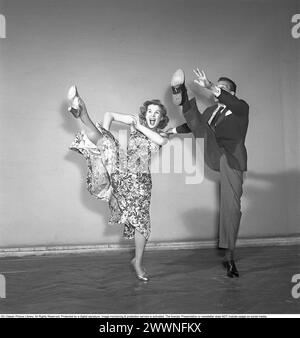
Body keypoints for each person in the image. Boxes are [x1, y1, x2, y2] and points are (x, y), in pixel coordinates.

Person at [67, 86, 169, 282]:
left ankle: (137, 262)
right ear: (145, 113)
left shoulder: (161, 134)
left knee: (142, 226)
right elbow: (109, 114)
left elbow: (159, 141)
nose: (152, 115)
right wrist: (105, 131)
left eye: (157, 112)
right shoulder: (135, 123)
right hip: (122, 169)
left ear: (161, 117)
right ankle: (80, 110)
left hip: (140, 183)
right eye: (149, 111)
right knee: (105, 141)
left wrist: (138, 125)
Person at [167, 69, 249, 278]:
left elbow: (228, 100)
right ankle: (181, 94)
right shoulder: (212, 111)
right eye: (216, 88)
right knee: (202, 125)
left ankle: (229, 257)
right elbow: (195, 126)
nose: (217, 91)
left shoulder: (241, 108)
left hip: (232, 160)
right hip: (214, 153)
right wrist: (171, 132)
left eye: (223, 89)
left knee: (231, 208)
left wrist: (211, 84)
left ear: (231, 92)